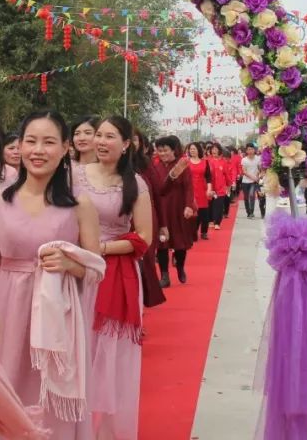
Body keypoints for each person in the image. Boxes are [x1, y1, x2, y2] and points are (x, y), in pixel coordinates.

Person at [0, 110, 102, 439]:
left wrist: (69, 265)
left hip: (57, 317)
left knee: (49, 395)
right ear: (19, 146)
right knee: (5, 391)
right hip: (6, 311)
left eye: (49, 142)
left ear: (65, 148)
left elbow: (94, 268)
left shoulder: (80, 204)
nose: (38, 150)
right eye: (31, 141)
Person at [76, 116, 153, 440]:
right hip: (76, 271)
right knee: (76, 349)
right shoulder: (73, 176)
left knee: (111, 358)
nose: (102, 142)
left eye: (111, 137)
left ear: (125, 145)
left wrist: (101, 248)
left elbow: (144, 237)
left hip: (114, 275)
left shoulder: (134, 184)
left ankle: (108, 432)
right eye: (99, 135)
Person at [151, 136, 197, 286]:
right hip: (161, 208)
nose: (162, 153)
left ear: (173, 150)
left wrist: (189, 205)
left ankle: (180, 267)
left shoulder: (181, 165)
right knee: (162, 243)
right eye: (160, 150)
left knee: (179, 243)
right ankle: (164, 276)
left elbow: (189, 187)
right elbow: (157, 189)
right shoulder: (154, 166)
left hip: (178, 208)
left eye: (165, 150)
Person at [132, 130, 166, 308]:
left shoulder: (146, 164)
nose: (131, 142)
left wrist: (163, 225)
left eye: (134, 139)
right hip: (122, 221)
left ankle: (139, 307)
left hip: (146, 219)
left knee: (145, 263)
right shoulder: (110, 165)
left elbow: (158, 194)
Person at [185, 142, 214, 240]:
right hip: (190, 190)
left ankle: (204, 232)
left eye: (194, 149)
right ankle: (193, 232)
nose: (192, 150)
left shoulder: (205, 162)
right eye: (190, 149)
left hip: (202, 190)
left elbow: (208, 177)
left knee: (204, 214)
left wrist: (209, 189)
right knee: (193, 213)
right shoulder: (186, 162)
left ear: (198, 150)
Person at [207, 143, 230, 230]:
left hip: (220, 188)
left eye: (216, 149)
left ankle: (217, 222)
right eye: (213, 149)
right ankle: (211, 221)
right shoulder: (207, 161)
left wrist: (229, 185)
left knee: (219, 205)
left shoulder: (223, 162)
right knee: (210, 205)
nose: (214, 151)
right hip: (210, 187)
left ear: (219, 151)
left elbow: (227, 175)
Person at [240, 144, 263, 219]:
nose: (250, 151)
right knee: (246, 198)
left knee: (252, 195)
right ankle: (248, 212)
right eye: (248, 149)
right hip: (245, 181)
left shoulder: (258, 158)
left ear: (254, 150)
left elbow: (260, 169)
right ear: (246, 151)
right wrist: (252, 177)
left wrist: (258, 175)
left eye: (251, 149)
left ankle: (252, 212)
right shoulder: (244, 160)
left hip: (254, 181)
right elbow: (244, 171)